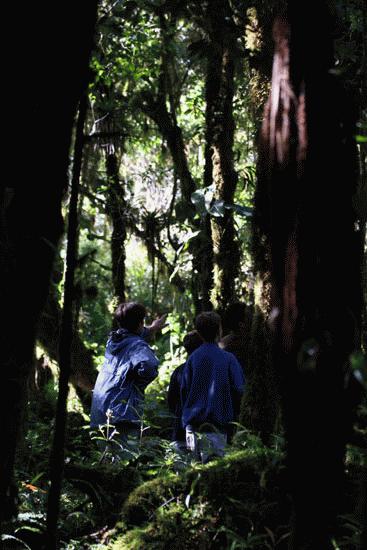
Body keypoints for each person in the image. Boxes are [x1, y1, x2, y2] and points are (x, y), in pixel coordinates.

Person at [90, 302, 166, 460]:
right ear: (140, 323)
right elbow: (150, 367)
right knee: (125, 464)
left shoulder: (113, 341)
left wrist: (153, 328)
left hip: (100, 413)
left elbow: (132, 337)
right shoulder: (137, 346)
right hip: (122, 415)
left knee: (106, 464)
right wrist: (137, 382)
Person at [181, 311, 245, 463]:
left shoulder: (192, 359)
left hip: (192, 427)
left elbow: (184, 390)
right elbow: (239, 389)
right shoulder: (228, 358)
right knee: (213, 475)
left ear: (199, 333)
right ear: (219, 330)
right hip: (217, 427)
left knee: (195, 475)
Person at [167, 330, 203, 451]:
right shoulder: (205, 370)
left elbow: (170, 401)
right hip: (201, 428)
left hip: (179, 430)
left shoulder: (178, 371)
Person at [220, 301, 251, 371]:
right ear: (241, 324)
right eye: (249, 316)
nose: (253, 317)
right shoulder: (236, 347)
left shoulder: (225, 343)